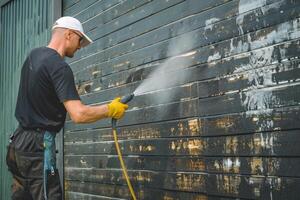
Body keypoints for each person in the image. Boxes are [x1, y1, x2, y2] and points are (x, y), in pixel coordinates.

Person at [6, 16, 128, 200]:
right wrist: (110, 109)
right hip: (38, 148)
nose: (80, 47)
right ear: (69, 35)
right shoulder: (59, 67)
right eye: (80, 40)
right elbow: (79, 114)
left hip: (18, 144)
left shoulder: (34, 55)